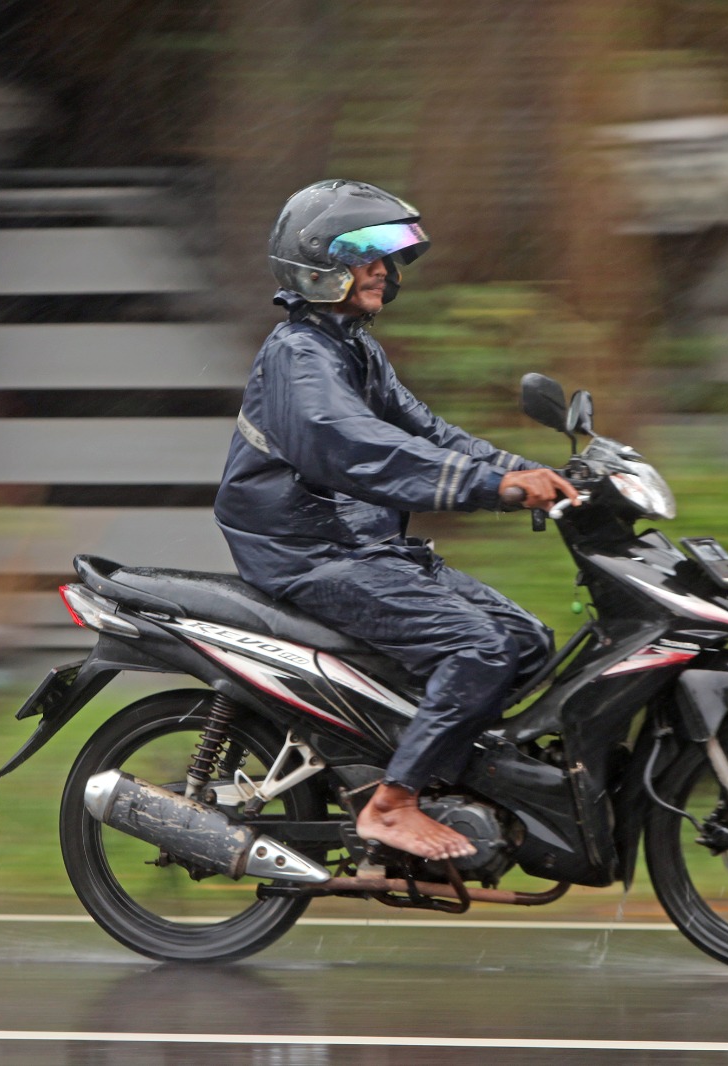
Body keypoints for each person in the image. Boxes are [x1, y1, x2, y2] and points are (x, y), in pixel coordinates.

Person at [214, 180, 578, 862]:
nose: (383, 267)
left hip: (358, 545)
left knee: (525, 640)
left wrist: (536, 472)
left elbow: (431, 432)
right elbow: (358, 447)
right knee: (479, 649)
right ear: (319, 263)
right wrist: (492, 486)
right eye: (366, 253)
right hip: (310, 552)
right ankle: (392, 803)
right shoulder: (299, 355)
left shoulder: (350, 347)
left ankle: (441, 786)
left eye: (389, 254)